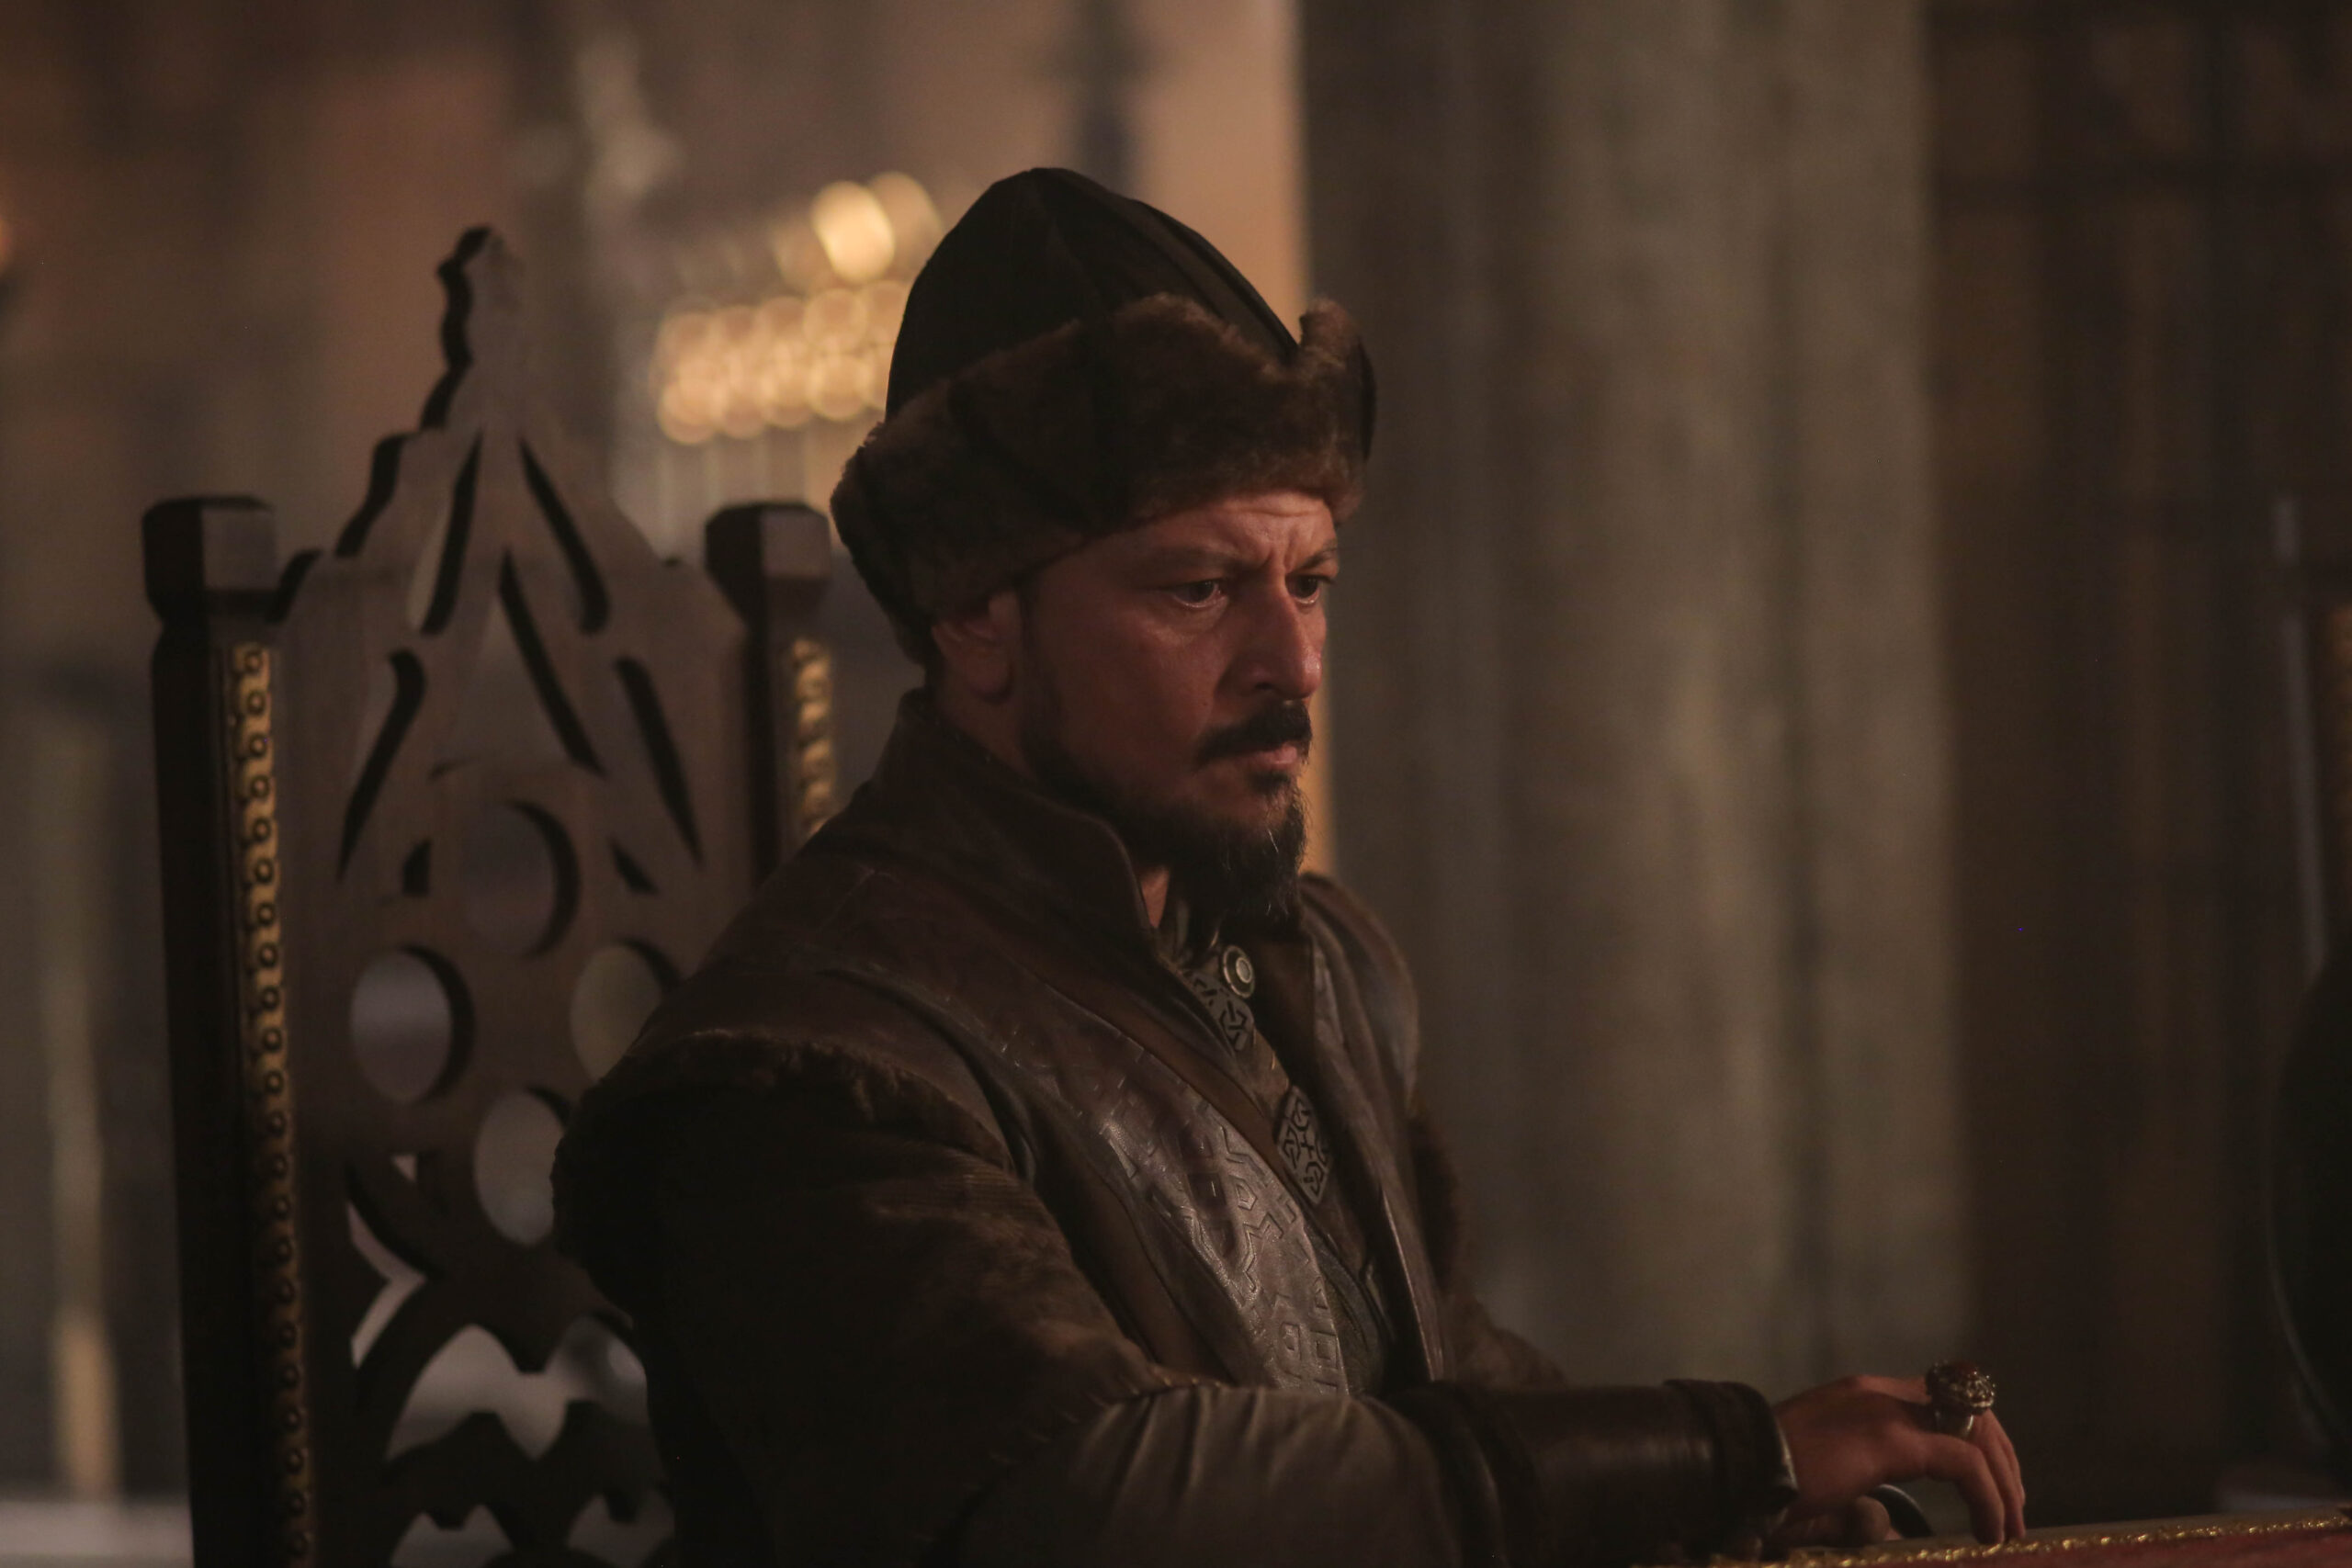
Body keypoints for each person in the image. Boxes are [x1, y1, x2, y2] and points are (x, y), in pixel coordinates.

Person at [553, 167, 2027, 1568]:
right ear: (976, 620)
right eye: (1200, 588)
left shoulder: (1306, 965)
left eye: (1308, 581)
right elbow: (1093, 1504)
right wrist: (1718, 1456)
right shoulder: (810, 1069)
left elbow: (1439, 1386)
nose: (1294, 661)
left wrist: (1730, 1518)